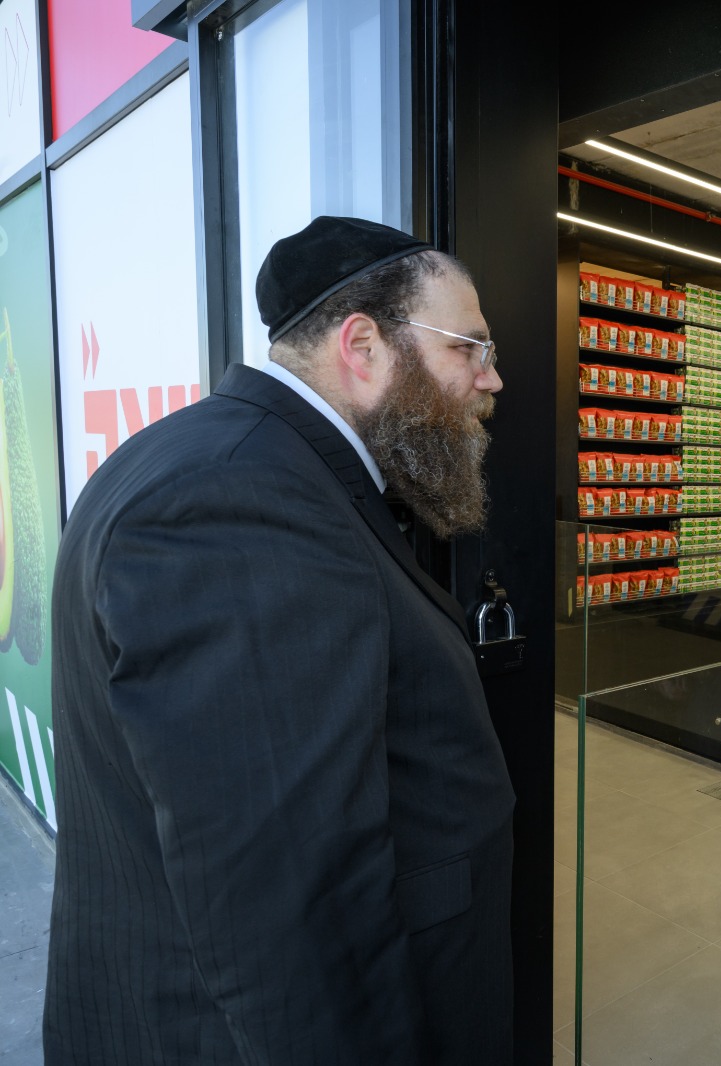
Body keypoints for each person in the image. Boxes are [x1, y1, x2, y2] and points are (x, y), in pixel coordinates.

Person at [45, 216, 515, 1063]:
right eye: (467, 349)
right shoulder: (240, 501)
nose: (492, 378)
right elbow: (293, 908)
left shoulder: (242, 465)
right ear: (362, 345)